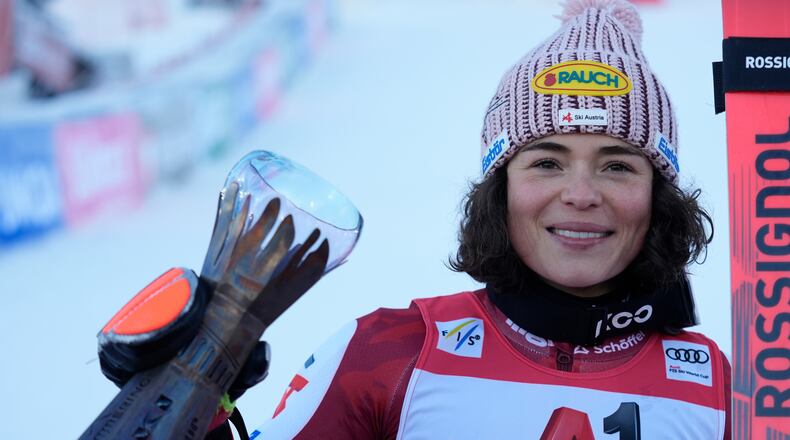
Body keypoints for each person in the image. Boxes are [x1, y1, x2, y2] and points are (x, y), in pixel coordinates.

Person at [96, 0, 731, 438]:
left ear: (660, 197)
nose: (582, 193)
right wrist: (185, 403)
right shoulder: (391, 351)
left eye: (619, 165)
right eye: (546, 162)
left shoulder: (725, 386)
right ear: (499, 192)